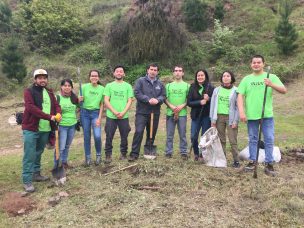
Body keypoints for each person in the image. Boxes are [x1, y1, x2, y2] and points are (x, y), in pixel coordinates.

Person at [237, 55, 287, 176]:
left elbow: (284, 90)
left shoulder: (271, 77)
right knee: (253, 139)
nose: (256, 64)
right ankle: (252, 161)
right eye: (254, 62)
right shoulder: (246, 79)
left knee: (269, 139)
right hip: (252, 115)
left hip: (267, 115)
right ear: (251, 64)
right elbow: (240, 96)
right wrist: (242, 112)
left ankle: (269, 164)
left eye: (259, 62)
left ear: (263, 64)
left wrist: (271, 84)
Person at [22, 69, 61, 192]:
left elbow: (55, 105)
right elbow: (31, 108)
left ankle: (36, 174)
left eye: (44, 77)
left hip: (45, 128)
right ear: (35, 80)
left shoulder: (49, 92)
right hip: (31, 128)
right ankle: (27, 180)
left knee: (38, 152)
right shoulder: (29, 91)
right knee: (29, 154)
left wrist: (58, 112)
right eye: (40, 78)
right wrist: (49, 116)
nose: (42, 80)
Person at [128, 63, 166, 161]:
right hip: (142, 112)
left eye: (155, 70)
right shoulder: (140, 81)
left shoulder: (160, 84)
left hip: (155, 112)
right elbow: (137, 93)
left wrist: (158, 100)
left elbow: (163, 95)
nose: (153, 71)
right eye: (151, 69)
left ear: (157, 72)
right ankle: (134, 153)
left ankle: (148, 151)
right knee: (139, 131)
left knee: (151, 133)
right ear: (147, 70)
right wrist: (147, 99)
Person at [103, 65, 134, 163]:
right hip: (111, 116)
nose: (119, 73)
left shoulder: (128, 86)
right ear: (114, 73)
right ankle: (108, 155)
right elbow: (106, 100)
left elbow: (130, 101)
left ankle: (123, 154)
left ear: (124, 74)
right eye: (117, 71)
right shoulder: (109, 85)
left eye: (121, 71)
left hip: (124, 116)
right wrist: (115, 112)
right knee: (109, 135)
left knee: (124, 135)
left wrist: (123, 112)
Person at [210, 71, 240, 168]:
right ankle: (222, 160)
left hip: (231, 118)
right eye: (224, 76)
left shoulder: (236, 90)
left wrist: (236, 120)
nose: (226, 78)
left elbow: (238, 107)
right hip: (219, 117)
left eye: (228, 76)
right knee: (221, 139)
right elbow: (213, 105)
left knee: (232, 140)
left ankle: (236, 160)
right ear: (221, 78)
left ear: (231, 78)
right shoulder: (216, 90)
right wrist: (213, 120)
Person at [187, 69, 214, 161]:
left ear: (205, 76)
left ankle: (202, 154)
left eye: (202, 75)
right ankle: (195, 153)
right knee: (193, 136)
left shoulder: (210, 87)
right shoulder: (192, 87)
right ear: (196, 77)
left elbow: (214, 102)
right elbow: (189, 102)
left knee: (204, 136)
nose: (200, 77)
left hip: (206, 116)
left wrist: (209, 99)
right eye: (198, 75)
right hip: (195, 116)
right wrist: (200, 102)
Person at [79, 70, 104, 166]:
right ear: (89, 77)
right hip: (84, 113)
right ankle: (88, 158)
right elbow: (79, 102)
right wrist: (79, 100)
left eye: (96, 76)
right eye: (92, 76)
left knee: (97, 136)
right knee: (86, 137)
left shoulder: (102, 88)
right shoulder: (84, 87)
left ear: (98, 77)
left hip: (95, 113)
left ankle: (98, 156)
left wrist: (99, 118)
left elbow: (102, 104)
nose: (94, 77)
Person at [165, 65, 190, 159]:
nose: (178, 72)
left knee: (183, 134)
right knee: (169, 134)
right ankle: (168, 152)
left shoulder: (187, 86)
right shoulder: (168, 86)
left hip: (182, 114)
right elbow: (165, 99)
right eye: (176, 70)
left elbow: (189, 99)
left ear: (183, 73)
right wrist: (171, 106)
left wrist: (181, 106)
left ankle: (183, 152)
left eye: (180, 70)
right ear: (173, 73)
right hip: (170, 113)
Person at [55, 79, 79, 169]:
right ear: (61, 87)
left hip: (72, 125)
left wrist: (80, 101)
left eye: (69, 86)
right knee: (60, 147)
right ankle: (57, 165)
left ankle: (64, 163)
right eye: (65, 85)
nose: (67, 87)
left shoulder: (74, 98)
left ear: (71, 87)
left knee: (67, 146)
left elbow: (79, 107)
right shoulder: (57, 98)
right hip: (62, 126)